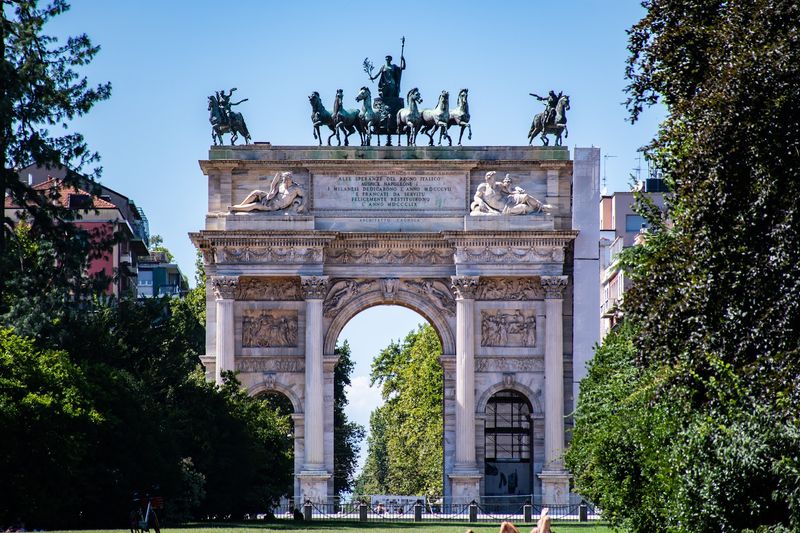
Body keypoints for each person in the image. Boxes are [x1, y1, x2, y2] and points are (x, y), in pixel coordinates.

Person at [230, 171, 306, 213]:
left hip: (275, 206)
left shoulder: (296, 188)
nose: (285, 181)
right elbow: (273, 187)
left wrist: (302, 205)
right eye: (284, 179)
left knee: (255, 205)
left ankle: (235, 209)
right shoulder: (281, 185)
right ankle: (240, 206)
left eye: (286, 180)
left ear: (291, 179)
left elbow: (304, 196)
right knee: (256, 192)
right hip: (271, 199)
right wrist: (268, 196)